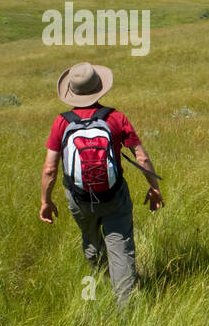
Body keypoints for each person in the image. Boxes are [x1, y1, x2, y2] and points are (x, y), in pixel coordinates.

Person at [39, 62, 164, 305]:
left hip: (79, 199)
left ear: (71, 92)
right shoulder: (116, 118)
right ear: (100, 89)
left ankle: (104, 275)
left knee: (91, 242)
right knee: (121, 249)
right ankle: (125, 309)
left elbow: (49, 168)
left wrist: (46, 201)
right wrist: (154, 187)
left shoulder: (61, 123)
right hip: (114, 197)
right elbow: (142, 157)